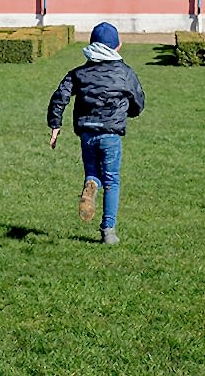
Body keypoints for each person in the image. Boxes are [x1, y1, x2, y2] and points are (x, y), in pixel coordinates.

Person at [47, 22, 145, 245]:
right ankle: (108, 231)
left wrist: (55, 125)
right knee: (112, 180)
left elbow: (60, 95)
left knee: (92, 171)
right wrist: (127, 112)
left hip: (87, 133)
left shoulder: (79, 73)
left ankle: (90, 184)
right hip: (111, 134)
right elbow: (138, 102)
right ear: (117, 46)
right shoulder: (125, 73)